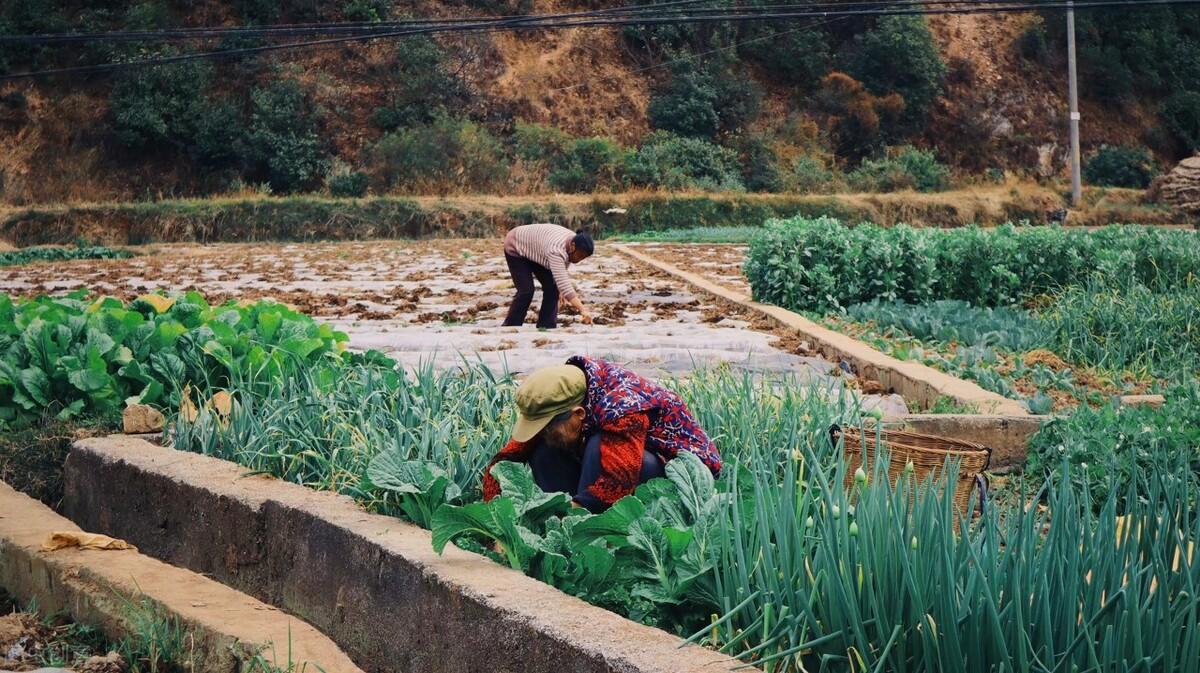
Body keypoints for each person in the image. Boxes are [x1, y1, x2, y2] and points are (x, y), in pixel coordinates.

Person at [482, 356, 722, 513]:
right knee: (544, 450)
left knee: (597, 446)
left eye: (546, 427)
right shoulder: (559, 400)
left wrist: (571, 512)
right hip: (620, 461)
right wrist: (495, 518)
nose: (542, 433)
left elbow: (620, 479)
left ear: (578, 414)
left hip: (681, 481)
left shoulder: (623, 406)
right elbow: (504, 461)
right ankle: (570, 529)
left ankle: (587, 531)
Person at [502, 223, 594, 329]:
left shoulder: (574, 242)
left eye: (583, 258)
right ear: (573, 246)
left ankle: (546, 327)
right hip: (516, 246)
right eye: (580, 255)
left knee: (553, 289)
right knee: (526, 290)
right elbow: (565, 284)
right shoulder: (556, 250)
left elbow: (561, 270)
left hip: (538, 251)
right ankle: (510, 327)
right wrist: (583, 310)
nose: (579, 260)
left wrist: (560, 288)